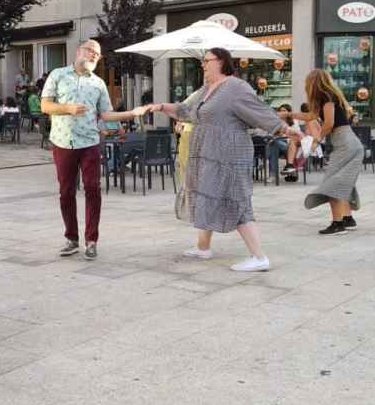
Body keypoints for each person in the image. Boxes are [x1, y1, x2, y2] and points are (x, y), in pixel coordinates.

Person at [151, 48, 297, 272]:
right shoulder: (207, 89)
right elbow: (186, 111)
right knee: (206, 192)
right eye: (203, 61)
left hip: (229, 154)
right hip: (208, 153)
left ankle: (259, 257)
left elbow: (259, 111)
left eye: (206, 61)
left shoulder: (236, 87)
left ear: (221, 62)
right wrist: (160, 107)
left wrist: (285, 129)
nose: (203, 65)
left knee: (235, 199)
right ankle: (203, 247)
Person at [41, 39, 151, 261]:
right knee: (66, 191)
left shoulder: (98, 83)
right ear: (79, 50)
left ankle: (92, 241)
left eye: (97, 54)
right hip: (63, 142)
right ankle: (72, 239)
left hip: (90, 143)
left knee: (93, 189)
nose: (93, 56)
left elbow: (106, 115)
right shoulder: (58, 75)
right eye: (91, 51)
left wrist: (132, 113)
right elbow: (45, 106)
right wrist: (68, 108)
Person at [289, 69, 364, 236]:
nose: (306, 86)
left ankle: (337, 224)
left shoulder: (328, 98)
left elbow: (329, 124)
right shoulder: (329, 98)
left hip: (345, 144)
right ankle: (347, 219)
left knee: (332, 183)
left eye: (308, 83)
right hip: (349, 143)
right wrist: (288, 114)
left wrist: (317, 140)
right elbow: (310, 116)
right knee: (342, 181)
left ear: (314, 83)